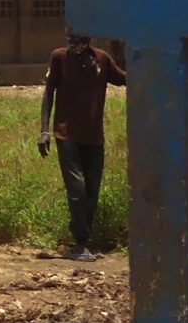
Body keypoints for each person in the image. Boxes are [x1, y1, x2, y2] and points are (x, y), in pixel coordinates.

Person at [38, 32, 125, 261]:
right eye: (70, 41)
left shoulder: (102, 59)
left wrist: (147, 65)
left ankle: (84, 240)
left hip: (94, 136)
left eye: (77, 41)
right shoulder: (59, 57)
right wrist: (44, 130)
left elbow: (123, 78)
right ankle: (80, 242)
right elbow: (49, 93)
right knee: (77, 189)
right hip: (66, 134)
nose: (72, 45)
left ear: (88, 41)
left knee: (92, 190)